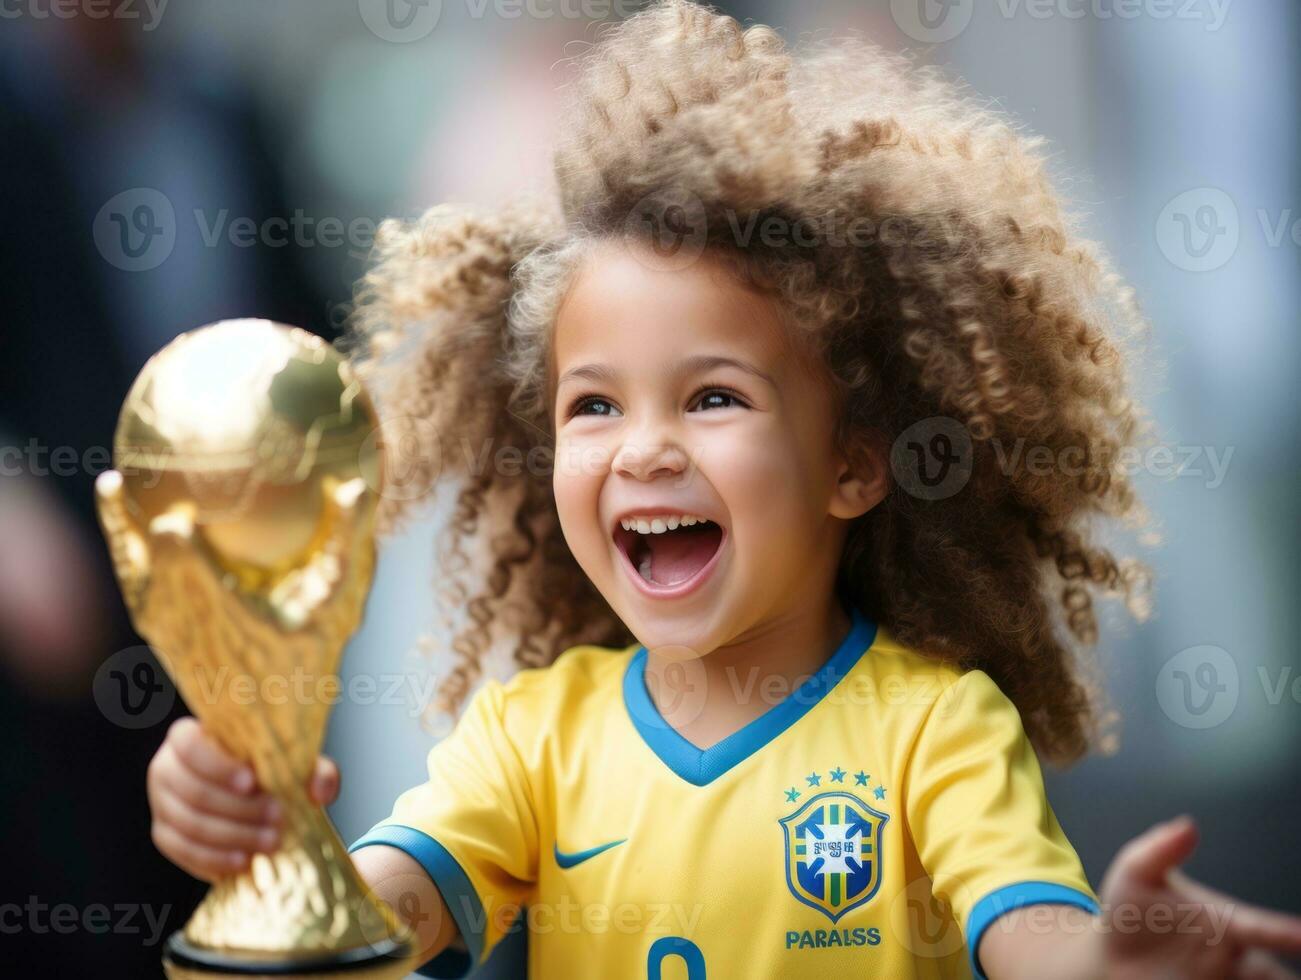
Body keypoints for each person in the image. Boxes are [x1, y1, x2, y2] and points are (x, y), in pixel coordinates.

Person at [139, 1, 1301, 977]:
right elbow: (376, 918)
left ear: (850, 462)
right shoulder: (530, 737)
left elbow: (1031, 929)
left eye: (711, 398)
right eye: (592, 404)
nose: (641, 448)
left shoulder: (934, 730)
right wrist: (262, 842)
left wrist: (1104, 960)